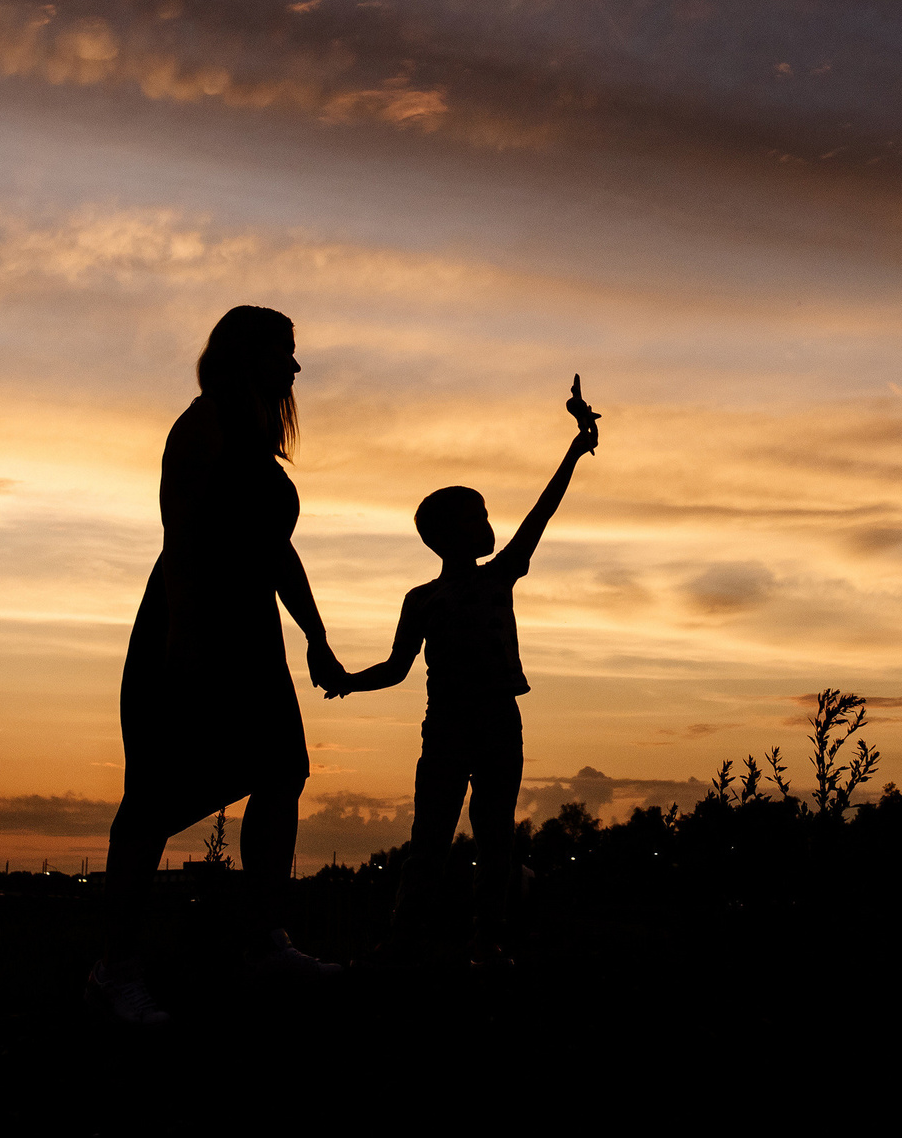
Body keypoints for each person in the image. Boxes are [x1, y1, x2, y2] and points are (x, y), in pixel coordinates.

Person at [88, 306, 346, 1025]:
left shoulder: (260, 444)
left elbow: (275, 550)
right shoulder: (201, 427)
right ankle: (116, 970)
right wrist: (186, 642)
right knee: (152, 801)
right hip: (194, 622)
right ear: (246, 353)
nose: (296, 367)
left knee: (280, 772)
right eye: (284, 352)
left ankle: (263, 943)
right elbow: (180, 539)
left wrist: (316, 635)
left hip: (251, 630)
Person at [325, 378, 601, 961]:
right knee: (431, 835)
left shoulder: (495, 578)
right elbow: (398, 668)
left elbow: (543, 510)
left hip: (498, 718)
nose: (489, 523)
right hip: (449, 725)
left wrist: (575, 448)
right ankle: (406, 937)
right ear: (449, 534)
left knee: (495, 833)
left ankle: (488, 936)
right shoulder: (424, 599)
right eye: (477, 515)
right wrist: (350, 681)